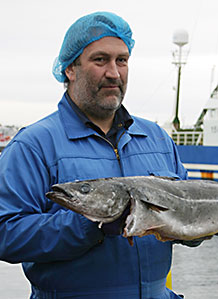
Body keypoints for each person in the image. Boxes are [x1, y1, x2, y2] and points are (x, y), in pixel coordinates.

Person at [0, 11, 201, 299]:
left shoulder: (156, 138)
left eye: (122, 60)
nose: (114, 72)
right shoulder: (34, 145)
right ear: (70, 69)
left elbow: (189, 209)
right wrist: (90, 224)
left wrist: (197, 228)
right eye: (100, 60)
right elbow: (6, 233)